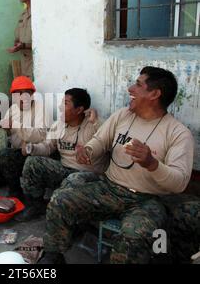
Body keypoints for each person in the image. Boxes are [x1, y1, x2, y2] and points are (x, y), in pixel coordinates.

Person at [39, 67, 194, 264]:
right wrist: (87, 151)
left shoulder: (178, 133)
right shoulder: (123, 115)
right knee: (61, 199)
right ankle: (53, 256)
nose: (130, 88)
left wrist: (152, 163)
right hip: (109, 188)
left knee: (135, 233)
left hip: (147, 199)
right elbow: (99, 140)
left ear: (155, 94)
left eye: (138, 85)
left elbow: (179, 183)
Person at [15, 88, 107, 222]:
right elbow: (47, 147)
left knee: (74, 180)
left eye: (65, 104)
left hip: (89, 176)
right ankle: (35, 205)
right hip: (65, 171)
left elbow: (111, 141)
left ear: (79, 109)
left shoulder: (94, 124)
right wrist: (31, 148)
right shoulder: (59, 125)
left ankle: (74, 220)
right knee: (32, 162)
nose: (60, 107)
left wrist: (96, 122)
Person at [0, 76, 48, 198]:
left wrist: (15, 125)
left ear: (32, 95)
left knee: (6, 155)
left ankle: (15, 190)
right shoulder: (13, 109)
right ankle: (0, 177)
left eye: (26, 94)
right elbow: (6, 133)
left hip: (30, 153)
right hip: (14, 148)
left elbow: (40, 135)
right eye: (18, 95)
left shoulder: (41, 109)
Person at [7, 0, 33, 79]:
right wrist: (18, 44)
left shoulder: (39, 14)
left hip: (35, 65)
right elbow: (18, 38)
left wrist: (23, 45)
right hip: (25, 64)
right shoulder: (23, 14)